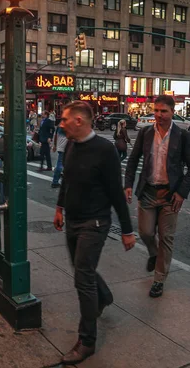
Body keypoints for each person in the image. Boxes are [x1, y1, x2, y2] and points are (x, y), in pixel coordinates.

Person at [53, 101, 135, 365]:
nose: (61, 123)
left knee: (83, 278)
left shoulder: (105, 150)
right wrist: (59, 207)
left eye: (65, 119)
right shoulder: (72, 146)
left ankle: (87, 341)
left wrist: (126, 230)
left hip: (95, 223)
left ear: (79, 121)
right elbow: (67, 179)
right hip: (73, 221)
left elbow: (116, 193)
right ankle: (104, 296)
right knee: (81, 270)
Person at [124, 95, 190, 299]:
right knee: (146, 232)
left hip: (170, 194)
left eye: (163, 111)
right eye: (156, 110)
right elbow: (133, 160)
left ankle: (159, 279)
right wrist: (128, 185)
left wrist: (181, 193)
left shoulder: (182, 136)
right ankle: (153, 253)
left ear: (173, 112)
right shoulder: (146, 132)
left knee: (166, 237)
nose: (158, 115)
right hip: (147, 191)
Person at [51, 124, 67, 188]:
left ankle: (57, 179)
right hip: (66, 147)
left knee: (61, 163)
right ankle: (55, 181)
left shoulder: (59, 125)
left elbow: (55, 136)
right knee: (60, 164)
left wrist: (55, 145)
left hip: (60, 146)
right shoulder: (69, 125)